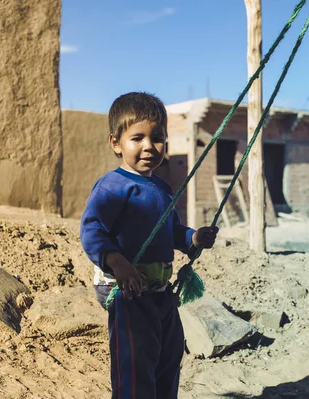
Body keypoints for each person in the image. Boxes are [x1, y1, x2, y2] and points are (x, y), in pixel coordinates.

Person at [80, 92, 218, 399]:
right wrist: (117, 262)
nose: (148, 146)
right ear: (116, 143)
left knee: (168, 355)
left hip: (159, 289)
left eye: (157, 137)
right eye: (137, 138)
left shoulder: (162, 187)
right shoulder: (112, 186)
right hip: (126, 290)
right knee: (135, 365)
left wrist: (193, 239)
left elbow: (173, 231)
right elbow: (92, 231)